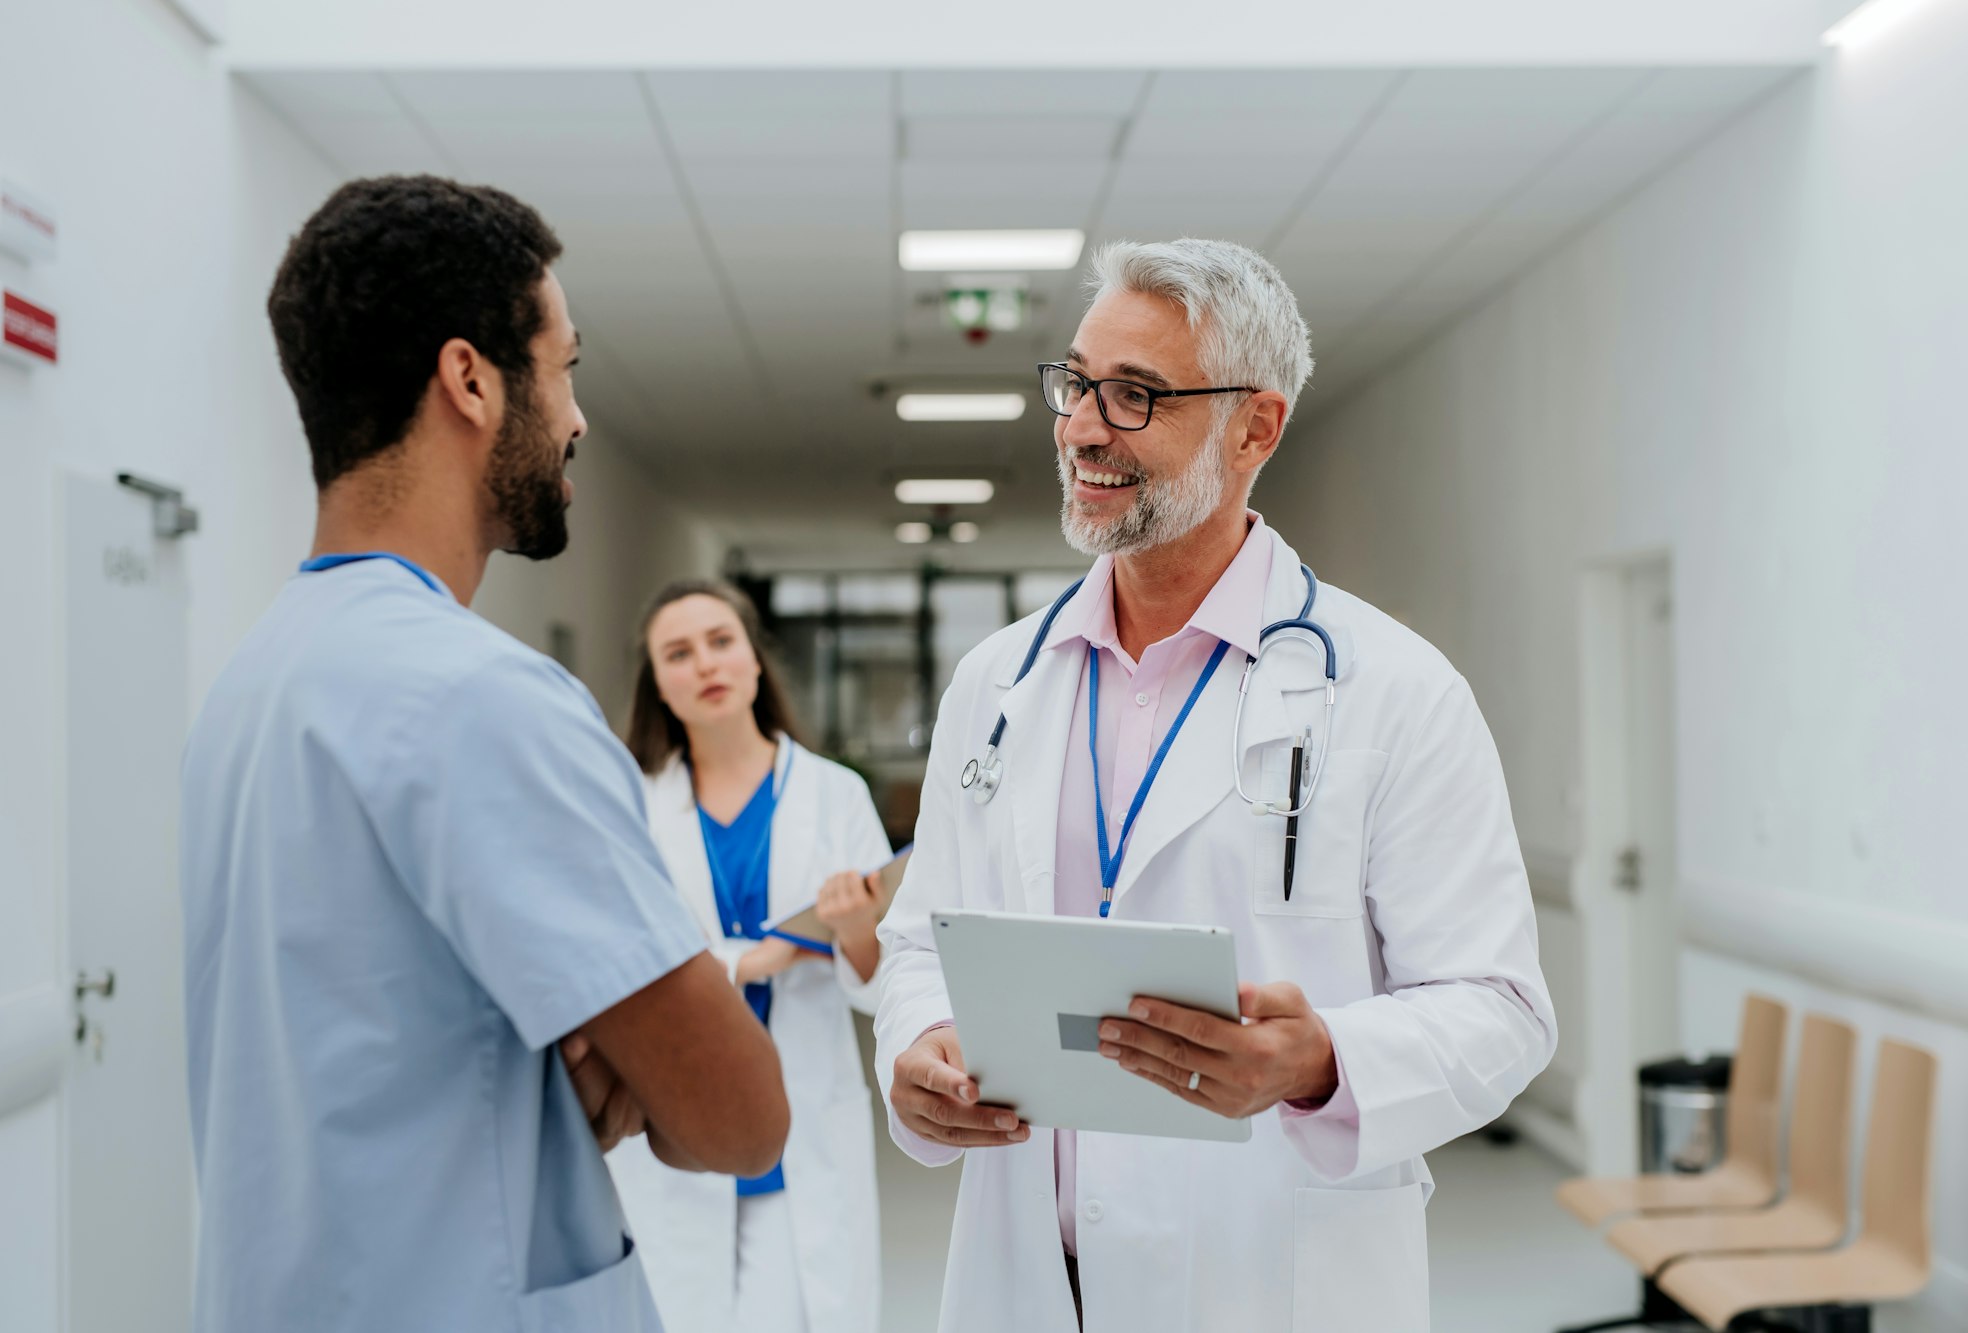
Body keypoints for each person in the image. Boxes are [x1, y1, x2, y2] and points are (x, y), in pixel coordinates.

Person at [875, 238, 1556, 1332]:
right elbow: (919, 941)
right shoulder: (996, 682)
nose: (1084, 427)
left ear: (1254, 428)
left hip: (1265, 1277)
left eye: (1136, 395)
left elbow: (1501, 1009)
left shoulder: (1394, 690)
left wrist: (1320, 1060)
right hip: (1028, 1280)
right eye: (1078, 383)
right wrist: (915, 1045)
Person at [180, 175, 789, 1333]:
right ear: (470, 379)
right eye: (564, 367)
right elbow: (738, 1116)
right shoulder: (483, 695)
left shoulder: (247, 689)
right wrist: (623, 1051)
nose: (576, 418)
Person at [605, 579, 890, 1333]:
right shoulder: (628, 805)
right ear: (658, 682)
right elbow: (619, 957)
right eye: (679, 651)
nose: (705, 663)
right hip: (677, 1123)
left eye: (721, 641)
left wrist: (857, 929)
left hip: (801, 1124)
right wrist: (754, 962)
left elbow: (884, 977)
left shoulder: (837, 795)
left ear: (757, 662)